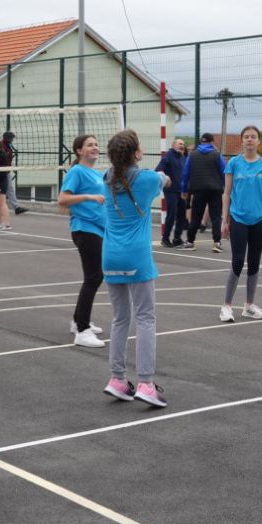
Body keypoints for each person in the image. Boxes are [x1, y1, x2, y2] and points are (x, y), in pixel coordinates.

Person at [100, 129, 170, 408]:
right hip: (136, 257)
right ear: (135, 152)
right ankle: (146, 383)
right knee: (145, 319)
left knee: (119, 319)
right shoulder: (147, 179)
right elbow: (163, 179)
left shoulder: (107, 178)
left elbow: (123, 175)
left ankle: (117, 379)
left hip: (110, 257)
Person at [220, 125, 262, 321]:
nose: (250, 139)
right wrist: (224, 220)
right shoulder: (234, 163)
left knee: (254, 262)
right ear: (242, 141)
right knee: (237, 261)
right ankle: (226, 306)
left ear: (258, 141)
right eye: (246, 137)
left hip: (259, 219)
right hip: (238, 218)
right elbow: (226, 194)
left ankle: (249, 305)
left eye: (253, 137)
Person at [58, 134, 107, 349]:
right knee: (94, 277)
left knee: (95, 277)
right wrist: (88, 197)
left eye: (96, 144)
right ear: (79, 150)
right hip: (84, 229)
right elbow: (63, 199)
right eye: (90, 145)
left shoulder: (96, 173)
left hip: (98, 229)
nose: (95, 147)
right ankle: (82, 330)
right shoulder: (77, 171)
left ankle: (78, 320)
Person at [182, 132, 226, 254]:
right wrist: (226, 187)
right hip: (215, 190)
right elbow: (224, 172)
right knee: (216, 216)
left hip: (198, 189)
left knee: (196, 216)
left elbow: (186, 174)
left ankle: (190, 242)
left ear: (201, 142)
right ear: (212, 142)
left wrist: (184, 190)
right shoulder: (217, 155)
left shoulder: (192, 155)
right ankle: (217, 243)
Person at [155, 137, 189, 247]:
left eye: (183, 144)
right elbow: (158, 170)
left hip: (181, 191)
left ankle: (177, 238)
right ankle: (165, 238)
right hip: (171, 190)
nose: (182, 145)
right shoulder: (167, 157)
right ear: (174, 145)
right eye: (179, 143)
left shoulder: (184, 158)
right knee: (172, 214)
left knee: (182, 216)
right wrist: (166, 177)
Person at [2, 132, 27, 216]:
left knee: (9, 189)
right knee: (0, 190)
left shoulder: (9, 146)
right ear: (7, 138)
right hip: (0, 171)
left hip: (6, 171)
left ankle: (16, 208)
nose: (12, 140)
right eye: (11, 138)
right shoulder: (2, 146)